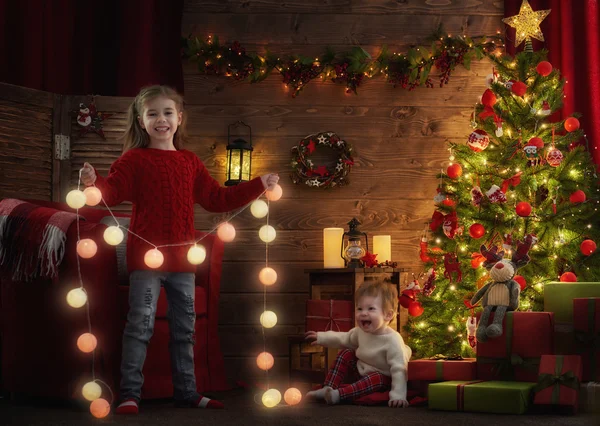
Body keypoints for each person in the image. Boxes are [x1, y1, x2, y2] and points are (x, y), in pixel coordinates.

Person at [80, 85, 279, 414]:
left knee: (184, 330)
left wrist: (258, 184)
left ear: (180, 118)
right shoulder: (134, 160)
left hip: (183, 262)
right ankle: (130, 394)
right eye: (153, 113)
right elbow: (110, 193)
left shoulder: (189, 162)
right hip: (146, 261)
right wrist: (93, 181)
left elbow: (217, 199)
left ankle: (187, 392)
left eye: (168, 112)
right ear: (141, 121)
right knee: (140, 326)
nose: (161, 119)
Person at [304, 280, 412, 407]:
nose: (363, 313)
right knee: (347, 352)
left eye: (371, 308)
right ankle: (328, 388)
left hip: (383, 378)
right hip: (361, 372)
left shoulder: (393, 340)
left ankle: (339, 395)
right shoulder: (360, 332)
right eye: (359, 308)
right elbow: (343, 338)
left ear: (388, 315)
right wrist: (321, 337)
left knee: (376, 377)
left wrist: (398, 396)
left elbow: (400, 370)